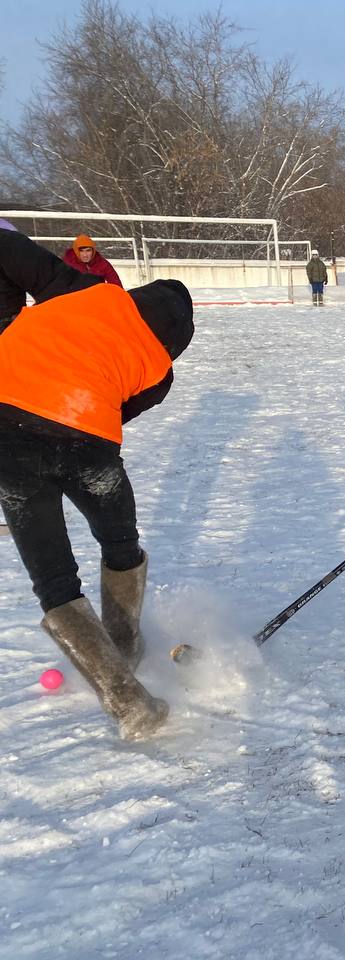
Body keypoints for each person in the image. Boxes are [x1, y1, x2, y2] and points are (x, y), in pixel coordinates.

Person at [0, 229, 194, 739]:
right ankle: (125, 642)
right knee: (119, 540)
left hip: (6, 431)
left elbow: (6, 249)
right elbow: (119, 409)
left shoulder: (88, 290)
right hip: (86, 442)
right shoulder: (162, 372)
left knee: (55, 580)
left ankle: (128, 702)